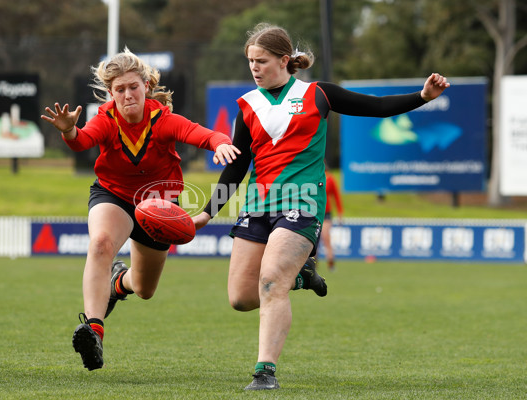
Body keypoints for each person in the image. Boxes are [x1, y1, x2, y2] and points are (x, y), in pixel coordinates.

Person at [193, 23, 450, 391]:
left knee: (270, 282)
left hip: (302, 200)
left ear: (284, 60)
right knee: (240, 297)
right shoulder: (247, 106)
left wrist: (423, 96)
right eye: (250, 61)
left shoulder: (318, 94)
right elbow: (235, 166)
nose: (254, 67)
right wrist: (207, 211)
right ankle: (301, 276)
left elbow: (375, 107)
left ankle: (265, 373)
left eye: (262, 61)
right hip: (258, 203)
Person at [41, 47, 239, 371]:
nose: (128, 94)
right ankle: (94, 329)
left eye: (133, 86)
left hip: (158, 205)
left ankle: (119, 283)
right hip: (113, 195)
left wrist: (220, 143)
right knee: (101, 244)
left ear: (146, 85)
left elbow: (201, 134)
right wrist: (68, 130)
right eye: (119, 89)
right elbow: (82, 140)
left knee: (145, 290)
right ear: (110, 93)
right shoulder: (106, 119)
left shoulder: (163, 120)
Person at [321, 166, 343, 271]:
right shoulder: (314, 177)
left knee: (326, 238)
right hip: (313, 213)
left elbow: (336, 196)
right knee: (312, 241)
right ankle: (313, 266)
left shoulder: (330, 179)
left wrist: (340, 213)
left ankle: (331, 264)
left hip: (326, 214)